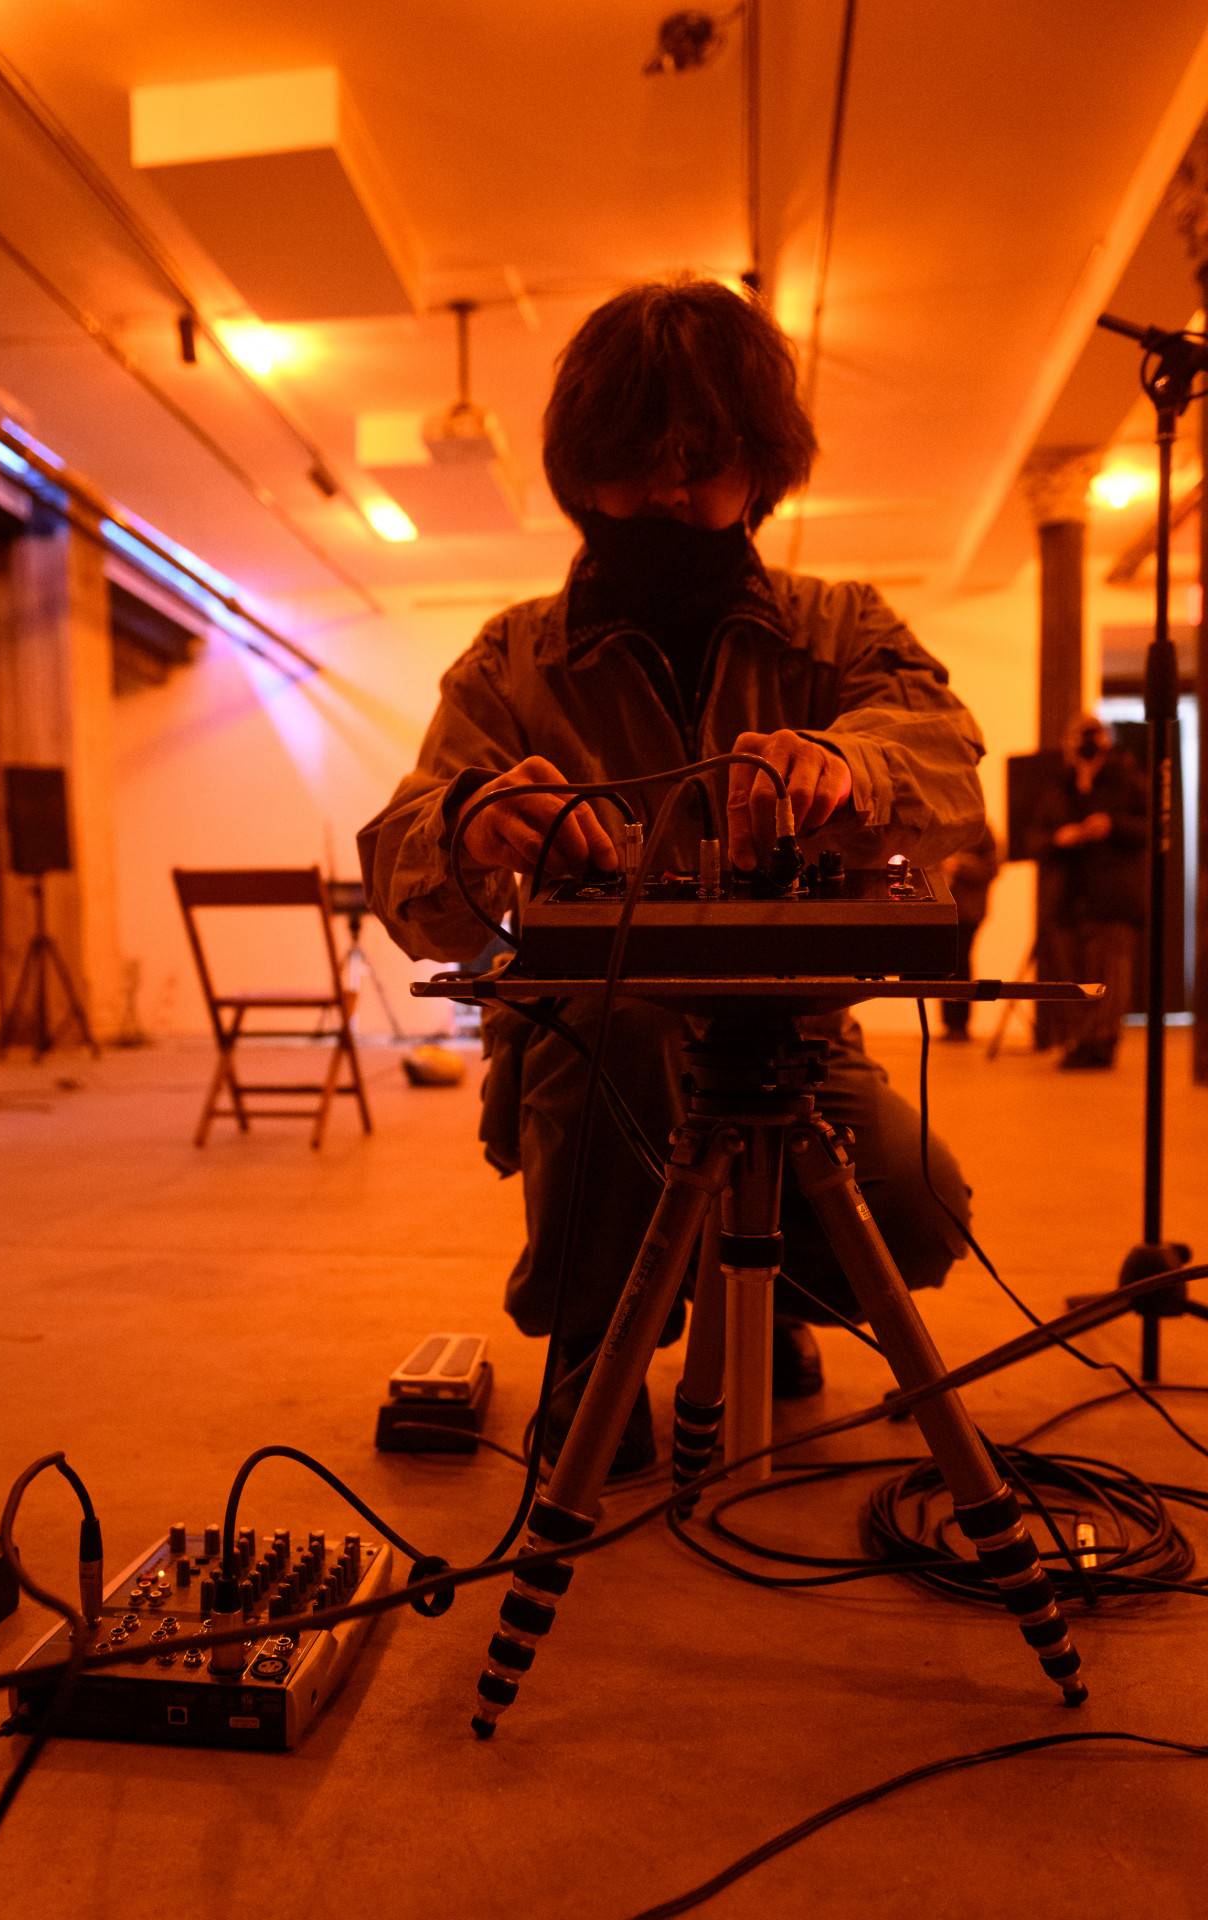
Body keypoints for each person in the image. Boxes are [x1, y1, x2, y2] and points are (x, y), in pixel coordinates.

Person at [359, 278, 986, 1472]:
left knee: (913, 1207)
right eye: (630, 461)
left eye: (699, 462)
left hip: (796, 1037)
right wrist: (473, 825)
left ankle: (775, 1301)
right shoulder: (511, 656)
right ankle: (592, 1348)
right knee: (631, 1034)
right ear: (576, 468)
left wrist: (851, 766)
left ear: (763, 466)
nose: (664, 494)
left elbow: (946, 762)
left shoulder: (838, 627)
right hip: (582, 1048)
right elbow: (403, 862)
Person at [1028, 712, 1147, 1069]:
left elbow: (1149, 830)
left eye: (1093, 736)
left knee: (1109, 973)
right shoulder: (1057, 785)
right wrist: (1058, 838)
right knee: (1073, 975)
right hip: (1067, 898)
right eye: (1080, 736)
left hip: (1113, 898)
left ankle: (1101, 1042)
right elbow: (1034, 838)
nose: (1087, 743)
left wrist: (1111, 825)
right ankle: (1079, 1040)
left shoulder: (1128, 781)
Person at [938, 823, 1000, 1039]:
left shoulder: (981, 829)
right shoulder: (943, 824)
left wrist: (958, 866)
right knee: (946, 964)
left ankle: (959, 1025)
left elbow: (992, 868)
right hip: (944, 909)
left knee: (959, 963)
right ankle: (951, 1024)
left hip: (968, 910)